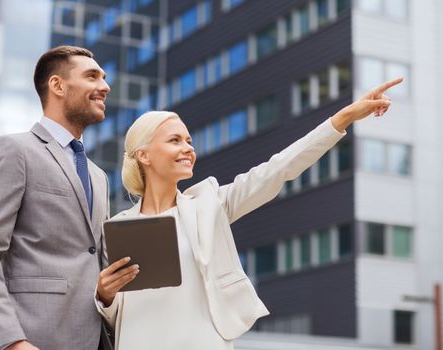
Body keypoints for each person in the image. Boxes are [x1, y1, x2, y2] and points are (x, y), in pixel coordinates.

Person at [94, 77, 403, 350]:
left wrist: (344, 117)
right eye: (175, 140)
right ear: (144, 155)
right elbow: (119, 312)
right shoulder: (120, 227)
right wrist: (105, 295)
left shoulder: (209, 204)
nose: (188, 148)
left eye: (189, 140)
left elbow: (279, 169)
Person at [0, 46, 113, 350]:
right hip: (34, 338)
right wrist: (11, 341)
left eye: (104, 78)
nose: (104, 86)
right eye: (92, 76)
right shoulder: (14, 151)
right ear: (57, 85)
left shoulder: (98, 176)